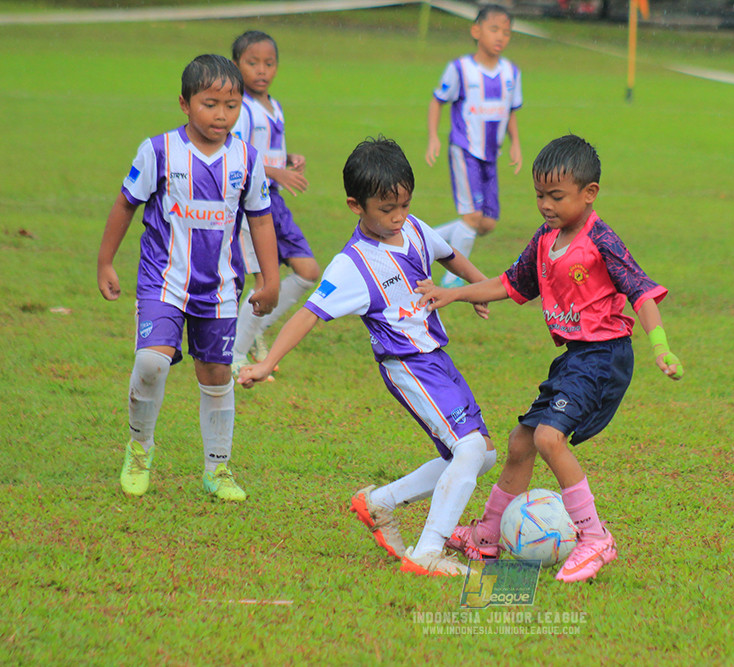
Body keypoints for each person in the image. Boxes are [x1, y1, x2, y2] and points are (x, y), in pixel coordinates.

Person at [417, 134, 684, 582]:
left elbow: (641, 291)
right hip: (575, 358)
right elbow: (511, 283)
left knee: (547, 438)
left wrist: (661, 346)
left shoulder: (601, 241)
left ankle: (595, 538)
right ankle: (487, 536)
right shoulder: (546, 239)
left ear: (589, 193)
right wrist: (455, 292)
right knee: (521, 440)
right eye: (540, 195)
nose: (545, 205)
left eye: (556, 196)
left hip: (603, 356)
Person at [238, 137, 497, 576]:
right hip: (408, 365)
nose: (397, 217)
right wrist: (265, 363)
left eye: (404, 204)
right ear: (356, 205)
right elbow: (308, 315)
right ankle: (427, 552)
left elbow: (450, 256)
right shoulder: (352, 265)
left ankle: (381, 502)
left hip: (438, 358)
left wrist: (479, 290)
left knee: (483, 453)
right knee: (469, 448)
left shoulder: (413, 228)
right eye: (386, 209)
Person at [97, 54, 280, 502]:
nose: (221, 115)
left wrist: (270, 279)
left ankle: (217, 470)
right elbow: (125, 204)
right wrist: (105, 261)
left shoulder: (246, 158)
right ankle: (139, 449)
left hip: (219, 287)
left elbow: (259, 219)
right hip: (163, 279)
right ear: (185, 103)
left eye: (232, 105)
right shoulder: (159, 150)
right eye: (210, 103)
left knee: (217, 373)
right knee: (152, 362)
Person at [230, 30, 321, 379]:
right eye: (252, 63)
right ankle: (236, 355)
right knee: (264, 283)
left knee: (308, 271)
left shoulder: (274, 106)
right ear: (237, 65)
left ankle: (256, 329)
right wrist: (277, 173)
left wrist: (288, 160)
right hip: (252, 205)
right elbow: (236, 157)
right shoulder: (242, 109)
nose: (261, 70)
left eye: (268, 63)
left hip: (275, 201)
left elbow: (267, 149)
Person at [425, 4, 522, 288]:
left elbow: (511, 110)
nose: (500, 37)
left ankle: (422, 240)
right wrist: (433, 136)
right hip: (464, 149)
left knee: (487, 223)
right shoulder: (460, 69)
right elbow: (437, 101)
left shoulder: (511, 73)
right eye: (494, 29)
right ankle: (453, 277)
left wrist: (515, 143)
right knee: (472, 217)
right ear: (476, 30)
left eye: (506, 32)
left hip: (492, 154)